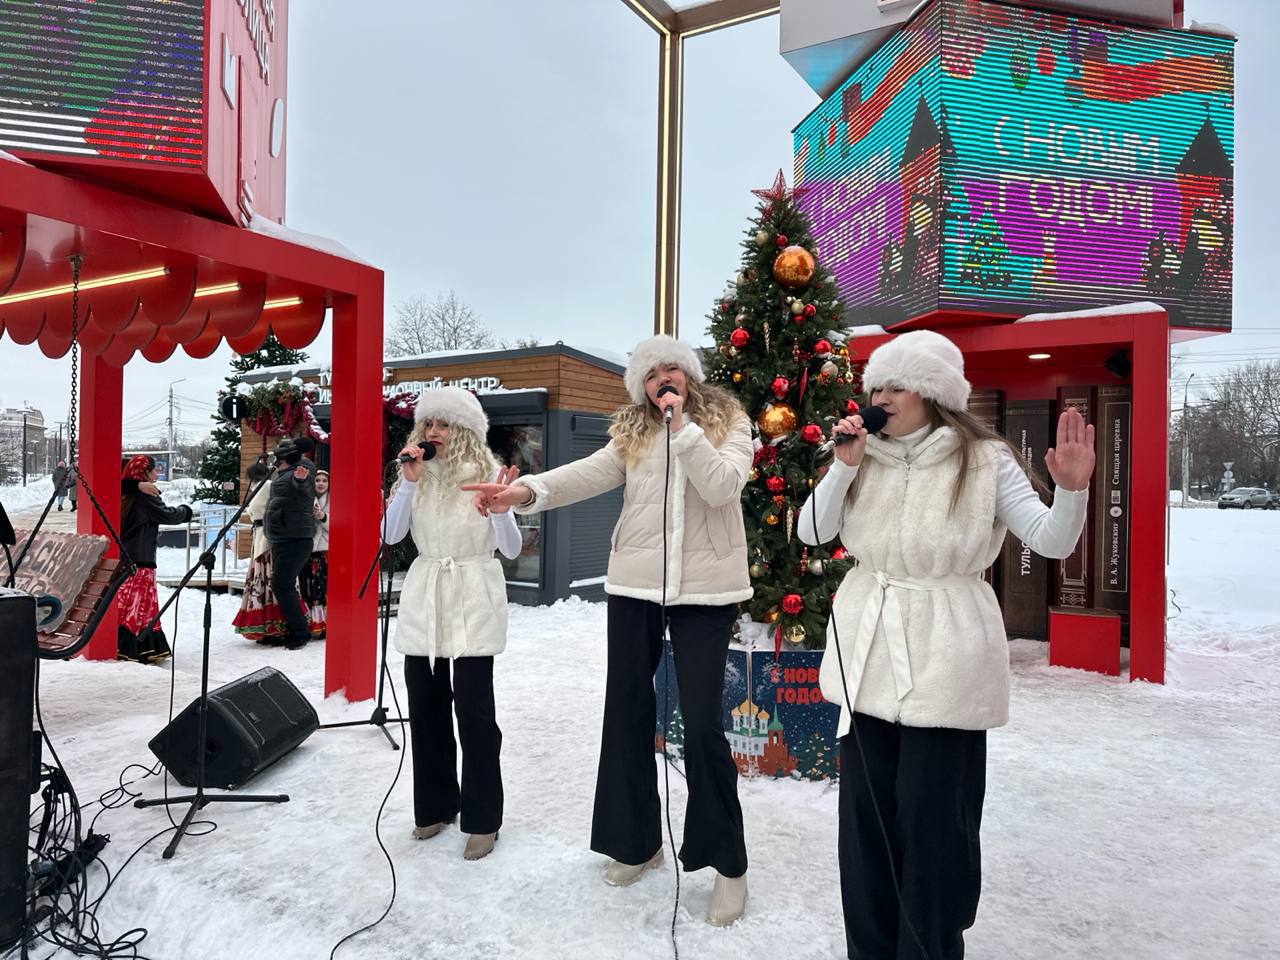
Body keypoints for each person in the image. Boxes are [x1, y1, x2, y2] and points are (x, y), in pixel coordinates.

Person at [795, 330, 1093, 960]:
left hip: (948, 657)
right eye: (877, 385)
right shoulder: (861, 454)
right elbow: (812, 533)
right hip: (869, 656)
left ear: (934, 395)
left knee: (934, 830)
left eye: (898, 386)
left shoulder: (984, 460)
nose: (882, 397)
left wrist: (1071, 490)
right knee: (866, 828)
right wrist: (842, 468)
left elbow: (1051, 541)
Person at [465, 335, 754, 926]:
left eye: (671, 369)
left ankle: (727, 864)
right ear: (641, 387)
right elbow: (584, 475)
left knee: (702, 724)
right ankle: (636, 841)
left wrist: (683, 429)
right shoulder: (633, 431)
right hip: (634, 585)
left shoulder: (731, 421)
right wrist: (523, 492)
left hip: (707, 590)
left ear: (688, 375)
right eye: (651, 374)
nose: (662, 379)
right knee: (625, 712)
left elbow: (723, 486)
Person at [383, 386, 522, 862]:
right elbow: (391, 535)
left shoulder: (487, 473)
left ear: (463, 431)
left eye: (443, 424)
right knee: (425, 709)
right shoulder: (415, 475)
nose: (434, 431)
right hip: (426, 597)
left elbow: (512, 549)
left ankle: (483, 819)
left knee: (475, 716)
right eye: (428, 423)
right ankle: (436, 805)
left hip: (472, 595)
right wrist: (407, 483)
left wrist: (499, 512)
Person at [117, 455, 194, 663]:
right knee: (139, 606)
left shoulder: (125, 494)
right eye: (153, 469)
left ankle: (135, 645)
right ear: (144, 473)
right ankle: (135, 646)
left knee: (130, 604)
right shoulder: (146, 496)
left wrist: (134, 485)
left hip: (125, 558)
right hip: (141, 560)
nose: (157, 473)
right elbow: (168, 515)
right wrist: (185, 511)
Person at [232, 454, 300, 645]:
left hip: (269, 537)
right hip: (260, 536)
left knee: (270, 578)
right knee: (263, 579)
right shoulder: (259, 487)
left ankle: (277, 625)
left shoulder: (269, 485)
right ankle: (268, 626)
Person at [264, 436, 317, 650]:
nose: (274, 462)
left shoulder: (303, 471)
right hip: (282, 538)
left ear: (287, 458)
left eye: (278, 458)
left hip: (295, 539)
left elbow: (305, 487)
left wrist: (300, 480)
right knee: (282, 585)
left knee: (282, 585)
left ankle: (300, 632)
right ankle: (293, 629)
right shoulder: (284, 474)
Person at [299, 469, 330, 639]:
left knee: (322, 589)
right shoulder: (306, 498)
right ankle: (310, 622)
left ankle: (325, 623)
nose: (321, 483)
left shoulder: (334, 499)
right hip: (307, 549)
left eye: (324, 480)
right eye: (317, 480)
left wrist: (323, 517)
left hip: (325, 551)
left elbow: (339, 524)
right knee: (307, 588)